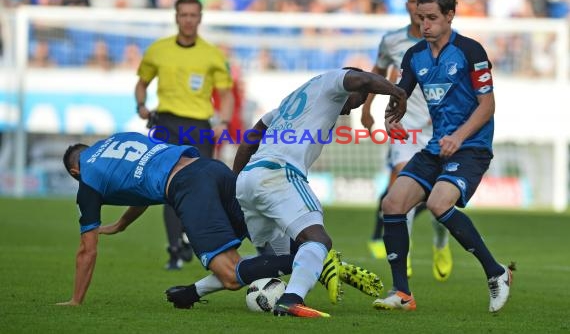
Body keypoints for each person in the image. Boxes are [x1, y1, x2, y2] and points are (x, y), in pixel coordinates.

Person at [58, 132, 382, 308]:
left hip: (189, 187)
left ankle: (307, 258)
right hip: (213, 169)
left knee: (230, 273)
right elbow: (143, 182)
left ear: (74, 171)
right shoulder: (117, 141)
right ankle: (303, 258)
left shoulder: (87, 177)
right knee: (259, 251)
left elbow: (87, 250)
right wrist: (124, 223)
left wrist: (76, 300)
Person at [373, 0, 514, 313]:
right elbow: (400, 96)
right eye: (421, 18)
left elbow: (487, 105)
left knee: (438, 203)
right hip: (437, 146)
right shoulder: (414, 56)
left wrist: (460, 137)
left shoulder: (469, 51)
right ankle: (403, 293)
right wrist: (391, 117)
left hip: (471, 146)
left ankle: (496, 273)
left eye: (432, 18)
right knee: (392, 203)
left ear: (450, 16)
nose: (425, 24)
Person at [233, 67, 407, 317]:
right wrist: (397, 92)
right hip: (279, 173)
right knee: (319, 240)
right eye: (359, 99)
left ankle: (195, 291)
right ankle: (291, 300)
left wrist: (235, 181)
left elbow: (251, 137)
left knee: (285, 259)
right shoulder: (332, 81)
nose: (352, 109)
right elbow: (362, 77)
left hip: (250, 177)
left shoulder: (295, 98)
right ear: (352, 88)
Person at [360, 0, 452, 282]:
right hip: (405, 128)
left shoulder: (451, 42)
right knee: (402, 187)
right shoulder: (392, 41)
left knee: (439, 197)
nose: (417, 9)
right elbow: (378, 73)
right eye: (413, 2)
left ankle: (441, 241)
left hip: (439, 129)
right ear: (407, 4)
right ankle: (406, 254)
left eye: (423, 3)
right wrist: (366, 109)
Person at [135, 0, 235, 270]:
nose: (188, 20)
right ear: (176, 17)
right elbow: (141, 84)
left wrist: (223, 122)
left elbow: (226, 95)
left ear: (200, 18)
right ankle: (175, 248)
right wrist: (141, 105)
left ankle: (192, 237)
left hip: (199, 127)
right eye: (184, 15)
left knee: (200, 186)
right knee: (169, 185)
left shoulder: (213, 54)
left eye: (193, 15)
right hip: (166, 123)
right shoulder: (158, 50)